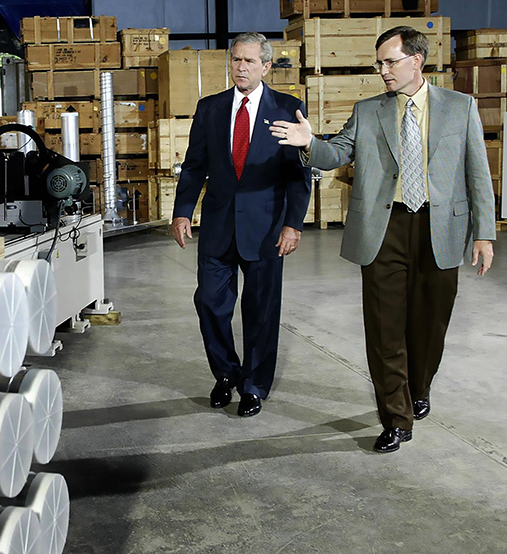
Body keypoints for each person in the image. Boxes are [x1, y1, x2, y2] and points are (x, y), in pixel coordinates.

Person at [270, 26, 496, 452]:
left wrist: (484, 234)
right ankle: (396, 416)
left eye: (389, 61)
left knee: (430, 327)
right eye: (379, 63)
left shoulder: (459, 107)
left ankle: (418, 387)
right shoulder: (368, 110)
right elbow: (338, 152)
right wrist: (308, 144)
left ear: (417, 61)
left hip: (440, 229)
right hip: (384, 230)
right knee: (384, 329)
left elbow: (477, 174)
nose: (383, 70)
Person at [172, 32, 312, 417]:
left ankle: (254, 386)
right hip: (217, 226)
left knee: (261, 311)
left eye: (250, 61)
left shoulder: (288, 108)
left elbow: (299, 174)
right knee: (211, 305)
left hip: (266, 228)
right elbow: (195, 165)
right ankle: (226, 374)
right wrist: (182, 211)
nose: (242, 67)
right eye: (236, 60)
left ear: (267, 66)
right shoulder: (211, 108)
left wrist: (293, 224)